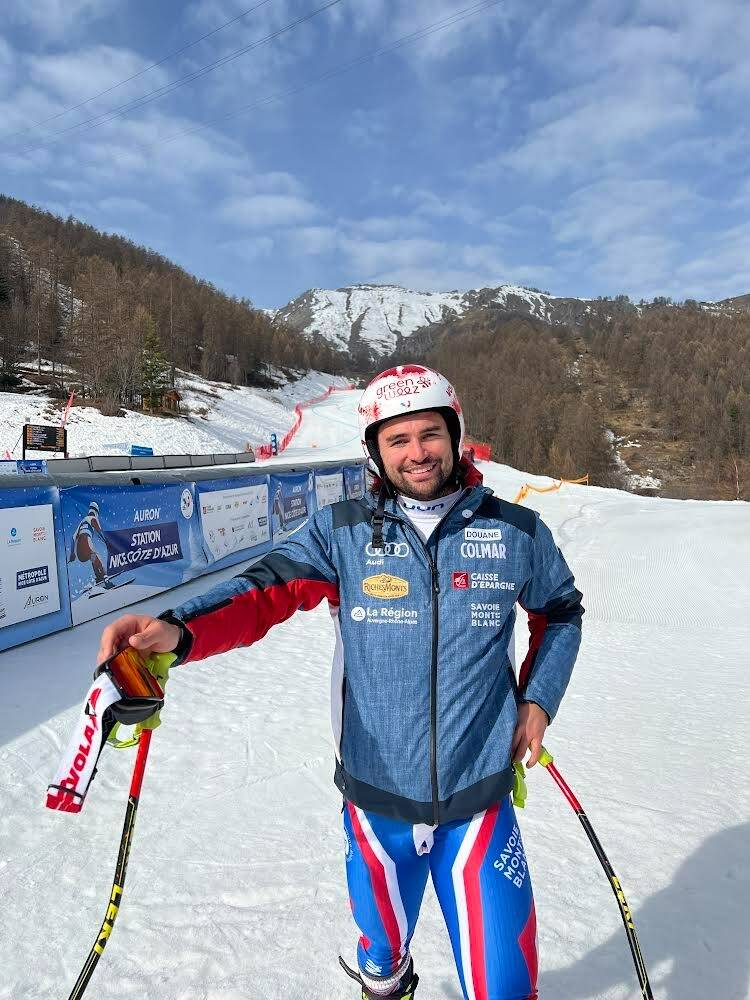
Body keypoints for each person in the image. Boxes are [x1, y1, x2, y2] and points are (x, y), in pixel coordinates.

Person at [97, 365, 583, 1000]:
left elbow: (561, 614)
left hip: (479, 800)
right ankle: (385, 979)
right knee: (381, 963)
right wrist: (175, 627)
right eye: (397, 439)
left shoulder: (516, 531)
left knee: (507, 987)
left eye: (430, 434)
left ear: (455, 435)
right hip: (375, 802)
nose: (417, 453)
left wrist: (538, 700)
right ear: (375, 450)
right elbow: (264, 589)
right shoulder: (343, 530)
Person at [69, 500, 113, 589]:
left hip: (79, 552)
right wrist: (107, 542)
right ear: (96, 511)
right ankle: (106, 580)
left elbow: (73, 537)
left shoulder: (82, 521)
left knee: (93, 558)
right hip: (86, 542)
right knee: (97, 558)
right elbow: (99, 531)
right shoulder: (93, 518)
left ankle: (99, 578)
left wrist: (72, 553)